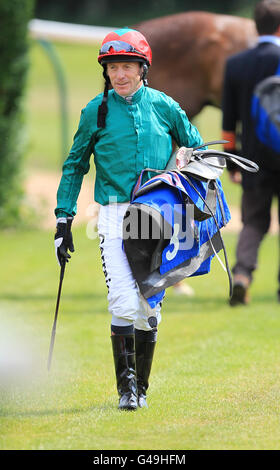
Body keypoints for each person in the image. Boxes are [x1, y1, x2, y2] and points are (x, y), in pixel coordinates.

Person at [54, 28, 206, 411]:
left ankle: (142, 388)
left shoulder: (164, 105)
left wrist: (188, 165)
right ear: (105, 71)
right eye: (113, 67)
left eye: (128, 67)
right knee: (122, 301)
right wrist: (63, 219)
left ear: (143, 69)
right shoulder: (96, 111)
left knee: (148, 306)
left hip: (156, 216)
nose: (120, 75)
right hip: (113, 215)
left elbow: (196, 144)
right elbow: (74, 166)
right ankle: (126, 390)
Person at [222, 0, 280, 306]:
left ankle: (242, 275)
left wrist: (232, 158)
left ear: (256, 26)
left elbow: (228, 119)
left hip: (253, 158)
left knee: (254, 222)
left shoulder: (236, 64)